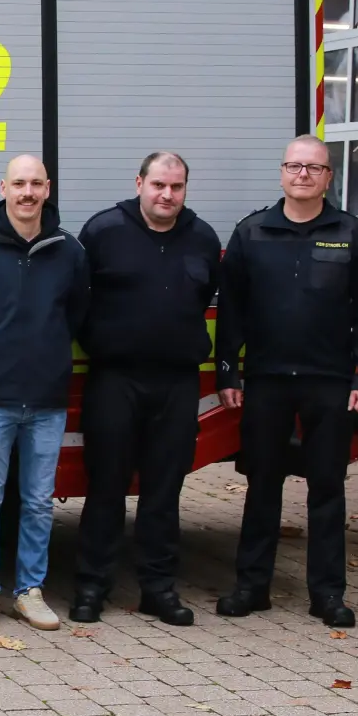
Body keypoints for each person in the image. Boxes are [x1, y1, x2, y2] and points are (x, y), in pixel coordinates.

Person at [214, 135, 358, 628]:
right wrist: (229, 369)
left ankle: (328, 594)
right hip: (266, 380)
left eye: (314, 168)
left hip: (330, 382)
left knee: (327, 487)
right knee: (261, 485)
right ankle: (252, 587)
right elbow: (233, 312)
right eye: (295, 166)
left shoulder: (351, 234)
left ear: (329, 177)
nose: (303, 175)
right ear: (282, 173)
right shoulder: (252, 233)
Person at [71, 153, 220, 626]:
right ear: (139, 183)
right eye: (158, 184)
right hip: (115, 379)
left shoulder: (202, 237)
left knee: (164, 490)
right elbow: (76, 299)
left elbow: (209, 298)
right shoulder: (103, 232)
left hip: (177, 382)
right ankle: (92, 587)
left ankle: (158, 589)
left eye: (176, 187)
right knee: (106, 488)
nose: (167, 195)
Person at [0, 154, 87, 633]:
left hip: (46, 400)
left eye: (36, 184)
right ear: (3, 187)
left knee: (37, 500)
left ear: (47, 189)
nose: (27, 193)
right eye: (18, 183)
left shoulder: (69, 251)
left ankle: (30, 590)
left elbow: (75, 317)